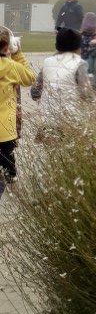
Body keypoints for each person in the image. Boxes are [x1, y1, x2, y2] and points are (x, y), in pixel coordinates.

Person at [0, 28, 36, 196]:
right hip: (5, 130)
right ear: (8, 46)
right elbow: (30, 78)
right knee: (7, 164)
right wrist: (18, 54)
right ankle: (11, 181)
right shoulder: (12, 67)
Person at [30, 28, 90, 127]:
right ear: (77, 47)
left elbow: (35, 93)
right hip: (71, 121)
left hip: (48, 120)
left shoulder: (47, 62)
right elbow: (86, 94)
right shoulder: (80, 64)